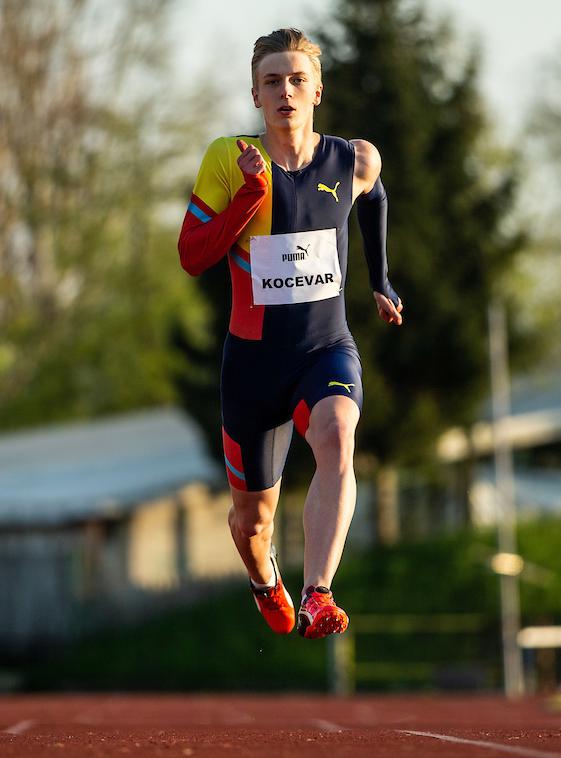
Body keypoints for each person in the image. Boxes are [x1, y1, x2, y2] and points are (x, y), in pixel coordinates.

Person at [178, 28, 402, 639]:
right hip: (251, 366)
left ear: (318, 90)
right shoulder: (229, 158)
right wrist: (248, 196)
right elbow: (192, 256)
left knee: (337, 432)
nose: (285, 91)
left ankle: (319, 592)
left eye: (297, 79)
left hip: (324, 348)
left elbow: (374, 195)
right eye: (272, 81)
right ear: (255, 94)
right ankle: (265, 582)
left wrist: (380, 279)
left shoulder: (351, 159)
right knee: (253, 522)